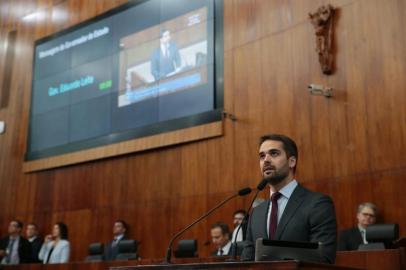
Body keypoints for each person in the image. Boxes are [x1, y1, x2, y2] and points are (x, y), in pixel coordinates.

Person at [240, 134, 337, 263]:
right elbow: (247, 261)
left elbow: (323, 259)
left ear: (292, 161)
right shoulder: (256, 213)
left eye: (274, 153)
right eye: (262, 156)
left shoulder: (317, 204)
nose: (266, 160)